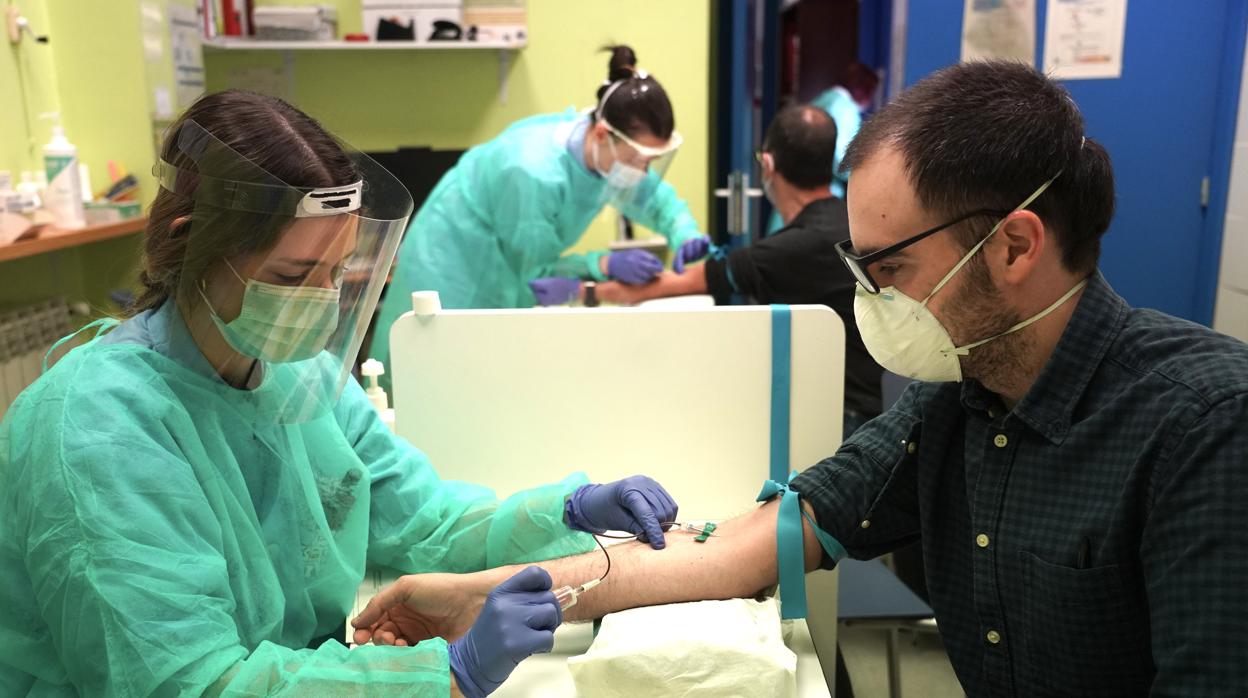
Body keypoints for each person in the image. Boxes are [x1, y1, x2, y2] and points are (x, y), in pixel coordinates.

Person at [353, 62, 1248, 696]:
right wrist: (479, 594)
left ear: (1013, 245)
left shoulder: (1206, 427)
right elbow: (740, 547)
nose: (869, 298)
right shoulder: (958, 404)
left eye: (887, 268)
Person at [0, 90, 681, 697]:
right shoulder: (97, 428)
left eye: (338, 272)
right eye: (294, 274)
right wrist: (443, 675)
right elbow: (192, 681)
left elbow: (425, 524)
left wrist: (568, 508)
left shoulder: (300, 376)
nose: (322, 302)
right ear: (192, 244)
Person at [536, 105, 883, 434]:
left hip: (836, 416)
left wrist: (583, 290)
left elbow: (668, 285)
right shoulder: (847, 224)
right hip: (864, 405)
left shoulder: (789, 249)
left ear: (766, 165)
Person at [371, 45, 710, 373]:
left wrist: (685, 233)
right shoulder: (533, 174)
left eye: (651, 161)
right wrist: (602, 263)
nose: (643, 172)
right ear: (603, 133)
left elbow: (655, 198)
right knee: (431, 373)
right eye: (639, 160)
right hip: (454, 265)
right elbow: (532, 272)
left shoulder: (604, 155)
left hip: (508, 261)